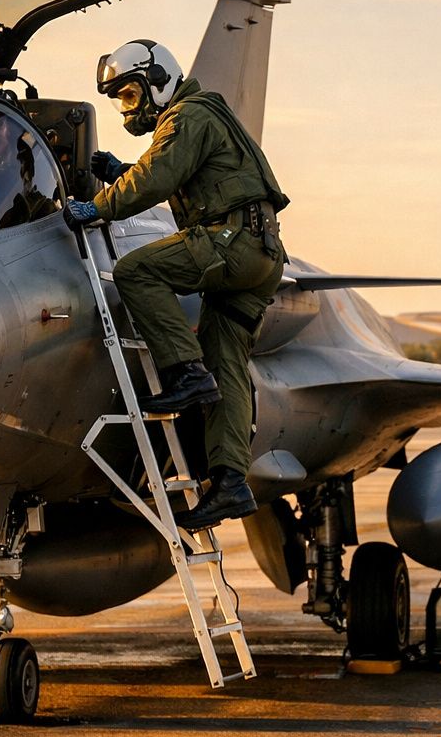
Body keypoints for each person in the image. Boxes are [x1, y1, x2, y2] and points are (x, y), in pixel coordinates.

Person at [67, 40, 289, 530]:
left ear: (158, 80)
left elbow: (156, 180)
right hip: (261, 253)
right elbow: (173, 179)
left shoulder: (187, 115)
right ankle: (230, 482)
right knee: (226, 363)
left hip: (232, 242)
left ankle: (183, 373)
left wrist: (96, 206)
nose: (128, 106)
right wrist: (119, 174)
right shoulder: (203, 117)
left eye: (129, 94)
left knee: (135, 271)